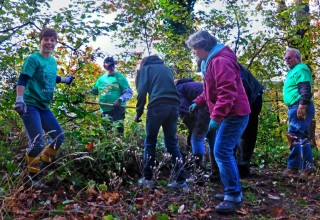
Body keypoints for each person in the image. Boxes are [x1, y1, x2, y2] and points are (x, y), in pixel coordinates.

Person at [186, 30, 250, 213]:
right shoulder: (211, 61)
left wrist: (216, 117)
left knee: (221, 151)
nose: (194, 52)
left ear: (204, 46)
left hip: (235, 114)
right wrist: (198, 102)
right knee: (223, 151)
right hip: (230, 113)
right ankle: (231, 189)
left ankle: (233, 196)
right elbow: (210, 91)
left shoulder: (220, 61)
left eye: (195, 49)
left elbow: (227, 92)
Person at [14, 28, 74, 186]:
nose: (49, 42)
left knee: (58, 137)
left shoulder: (52, 61)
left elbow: (50, 77)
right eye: (46, 39)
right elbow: (23, 79)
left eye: (52, 40)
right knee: (38, 143)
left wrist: (65, 79)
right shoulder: (33, 59)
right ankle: (32, 179)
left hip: (44, 107)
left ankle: (42, 166)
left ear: (56, 43)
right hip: (30, 105)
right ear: (40, 41)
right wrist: (19, 98)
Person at [135, 55, 188, 191]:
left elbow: (141, 92)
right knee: (171, 143)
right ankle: (181, 181)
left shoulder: (145, 69)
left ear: (143, 63)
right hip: (174, 105)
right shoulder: (166, 69)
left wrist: (139, 112)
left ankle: (147, 179)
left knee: (150, 141)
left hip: (157, 105)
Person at [282, 48, 315, 176]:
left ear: (297, 58)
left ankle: (296, 168)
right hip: (295, 107)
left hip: (299, 107)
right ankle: (304, 168)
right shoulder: (293, 71)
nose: (287, 60)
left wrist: (302, 105)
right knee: (300, 137)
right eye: (285, 58)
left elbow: (305, 87)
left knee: (295, 136)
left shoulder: (300, 68)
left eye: (289, 57)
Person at [175, 78, 215, 180]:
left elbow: (184, 110)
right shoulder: (191, 85)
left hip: (204, 107)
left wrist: (191, 128)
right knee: (212, 139)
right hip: (216, 107)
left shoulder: (178, 88)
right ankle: (216, 173)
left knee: (196, 139)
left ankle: (199, 174)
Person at [89, 57, 133, 134]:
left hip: (118, 109)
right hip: (105, 111)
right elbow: (93, 92)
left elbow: (129, 93)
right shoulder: (100, 79)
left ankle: (120, 145)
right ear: (104, 67)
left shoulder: (120, 77)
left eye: (113, 65)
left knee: (118, 132)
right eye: (109, 66)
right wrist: (82, 95)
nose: (111, 67)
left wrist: (120, 100)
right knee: (106, 134)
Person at [235, 64, 264, 177]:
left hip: (252, 98)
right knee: (238, 132)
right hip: (248, 97)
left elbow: (246, 89)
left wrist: (241, 111)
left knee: (246, 134)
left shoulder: (225, 64)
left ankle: (242, 169)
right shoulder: (219, 63)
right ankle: (237, 166)